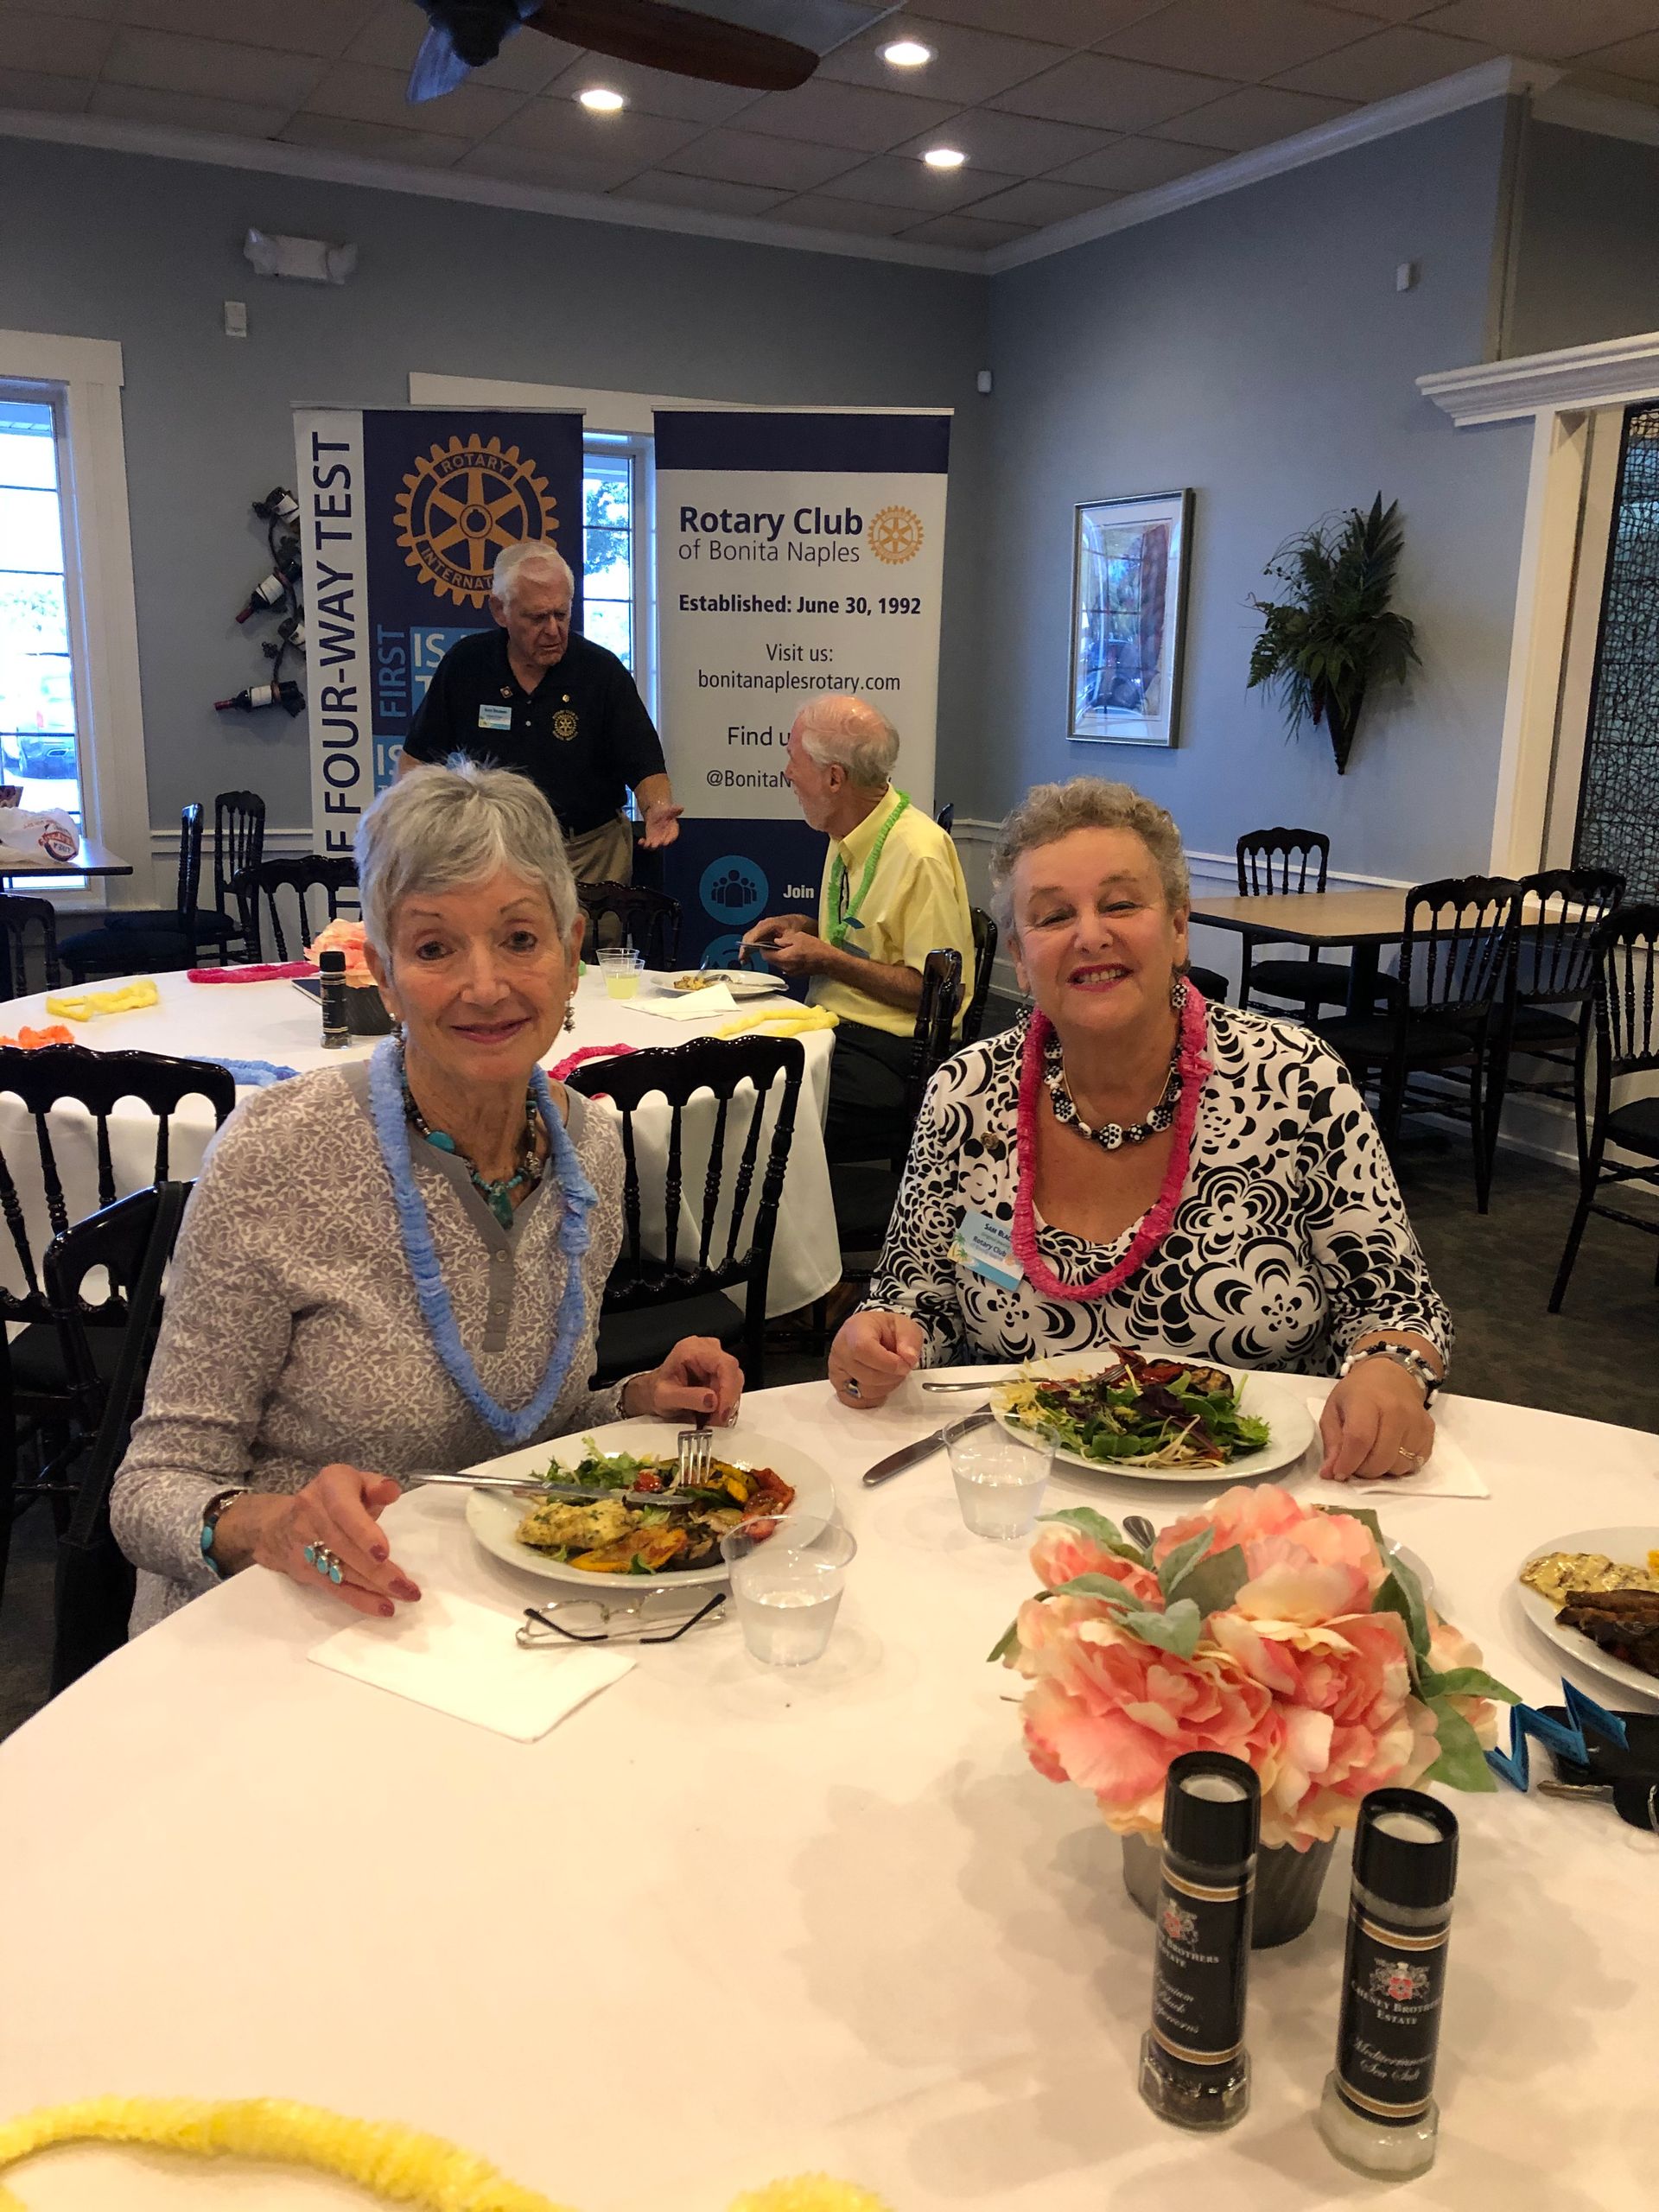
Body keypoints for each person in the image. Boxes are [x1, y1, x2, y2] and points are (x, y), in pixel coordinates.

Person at [111, 759, 738, 1630]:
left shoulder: (589, 1149)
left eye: (520, 939)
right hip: (278, 1625)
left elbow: (520, 1435)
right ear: (384, 974)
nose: (485, 986)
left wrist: (633, 1401)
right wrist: (272, 1526)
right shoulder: (277, 1153)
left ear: (570, 955)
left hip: (485, 1624)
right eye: (435, 947)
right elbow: (152, 1487)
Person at [828, 778, 1452, 1483]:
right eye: (1053, 916)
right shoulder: (965, 1096)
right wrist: (879, 1339)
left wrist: (1388, 1374)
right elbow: (914, 1298)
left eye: (1121, 904)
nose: (1091, 935)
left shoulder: (1295, 1082)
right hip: (1020, 1499)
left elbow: (1397, 1306)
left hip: (1253, 1504)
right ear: (1021, 961)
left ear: (1179, 928)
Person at [740, 696, 975, 1162]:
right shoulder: (848, 827)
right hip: (837, 1029)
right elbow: (873, 939)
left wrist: (828, 960)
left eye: (794, 759)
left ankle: (783, 1211)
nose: (787, 772)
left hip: (894, 1053)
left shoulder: (919, 853)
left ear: (834, 778)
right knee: (727, 1069)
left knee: (749, 1107)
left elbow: (939, 996)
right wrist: (805, 927)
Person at [400, 543, 681, 884]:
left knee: (590, 922)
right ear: (500, 610)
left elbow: (645, 763)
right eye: (537, 618)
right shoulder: (466, 665)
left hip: (588, 853)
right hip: (493, 851)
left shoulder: (601, 671)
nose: (552, 630)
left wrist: (656, 808)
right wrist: (411, 825)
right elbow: (418, 760)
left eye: (561, 615)